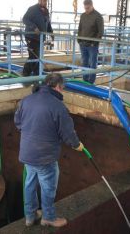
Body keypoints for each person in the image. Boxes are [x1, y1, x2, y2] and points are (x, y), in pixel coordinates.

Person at [14, 73, 84, 228]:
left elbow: (17, 122)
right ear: (58, 87)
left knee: (30, 183)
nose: (62, 92)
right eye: (63, 89)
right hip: (45, 156)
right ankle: (49, 217)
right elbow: (67, 132)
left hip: (27, 152)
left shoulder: (26, 100)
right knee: (48, 186)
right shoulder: (58, 106)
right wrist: (76, 145)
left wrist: (30, 133)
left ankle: (30, 216)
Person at [22, 0, 54, 76]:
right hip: (31, 37)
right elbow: (25, 19)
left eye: (46, 1)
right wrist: (34, 27)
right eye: (44, 1)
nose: (45, 3)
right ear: (39, 0)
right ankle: (25, 73)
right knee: (33, 56)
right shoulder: (32, 9)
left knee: (37, 57)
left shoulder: (46, 11)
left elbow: (48, 23)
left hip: (40, 38)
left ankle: (36, 73)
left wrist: (51, 33)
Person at [77, 0, 104, 84]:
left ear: (92, 6)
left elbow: (100, 31)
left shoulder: (98, 16)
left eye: (88, 8)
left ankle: (91, 82)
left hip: (92, 45)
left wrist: (94, 43)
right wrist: (79, 39)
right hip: (83, 44)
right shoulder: (83, 16)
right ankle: (85, 80)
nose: (86, 10)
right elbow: (80, 28)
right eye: (85, 8)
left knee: (93, 63)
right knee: (84, 62)